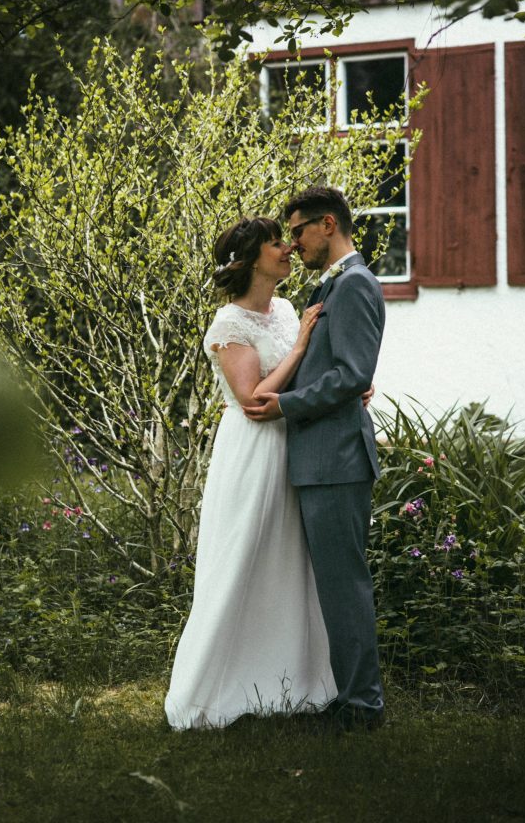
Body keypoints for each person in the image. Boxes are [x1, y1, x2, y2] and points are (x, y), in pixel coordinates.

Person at [165, 216, 337, 729]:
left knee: (290, 562)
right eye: (276, 243)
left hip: (294, 444)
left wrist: (338, 385)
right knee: (245, 557)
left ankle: (291, 680)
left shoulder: (285, 310)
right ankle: (215, 686)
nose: (289, 248)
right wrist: (303, 348)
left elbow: (294, 381)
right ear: (251, 259)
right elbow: (252, 399)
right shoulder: (229, 326)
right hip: (253, 451)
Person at [244, 186, 386, 730]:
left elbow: (353, 375)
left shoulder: (353, 285)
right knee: (333, 583)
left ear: (328, 225)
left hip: (336, 460)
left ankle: (361, 707)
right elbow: (344, 370)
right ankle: (348, 696)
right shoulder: (335, 285)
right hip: (322, 458)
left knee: (344, 584)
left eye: (298, 231)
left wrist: (286, 405)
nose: (294, 243)